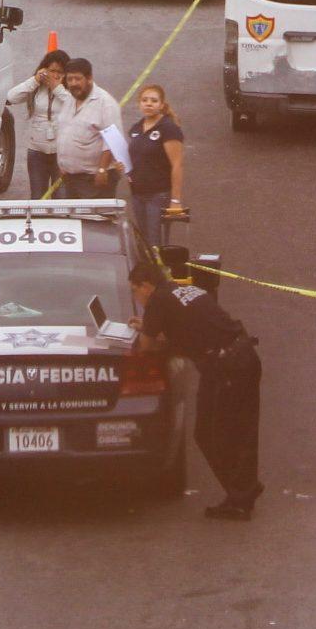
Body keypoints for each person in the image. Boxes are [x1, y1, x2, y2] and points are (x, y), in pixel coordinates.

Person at [129, 258, 262, 519]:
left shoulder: (157, 300)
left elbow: (147, 347)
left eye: (135, 290)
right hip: (242, 357)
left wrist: (146, 329)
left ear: (146, 285)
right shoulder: (180, 291)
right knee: (238, 431)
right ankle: (244, 490)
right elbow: (187, 329)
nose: (137, 297)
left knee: (214, 434)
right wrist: (150, 327)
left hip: (226, 366)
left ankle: (241, 497)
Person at [55, 58, 129, 197]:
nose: (73, 83)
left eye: (78, 79)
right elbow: (65, 132)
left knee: (95, 218)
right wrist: (63, 165)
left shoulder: (106, 103)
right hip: (70, 178)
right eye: (70, 79)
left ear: (89, 78)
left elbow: (113, 141)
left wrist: (102, 169)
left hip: (95, 179)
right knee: (73, 218)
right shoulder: (70, 99)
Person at [126, 83, 188, 250]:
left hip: (158, 195)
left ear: (161, 105)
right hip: (138, 194)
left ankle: (161, 275)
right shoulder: (136, 129)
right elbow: (136, 159)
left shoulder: (168, 128)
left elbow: (177, 164)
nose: (148, 103)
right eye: (144, 100)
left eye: (154, 100)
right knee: (143, 243)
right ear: (139, 103)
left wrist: (175, 200)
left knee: (156, 244)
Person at [6, 49, 71, 198]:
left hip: (60, 153)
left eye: (59, 72)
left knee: (61, 197)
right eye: (51, 71)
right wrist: (34, 80)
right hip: (37, 152)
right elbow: (11, 97)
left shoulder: (68, 91)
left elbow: (74, 105)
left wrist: (57, 88)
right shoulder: (36, 88)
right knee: (37, 196)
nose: (55, 76)